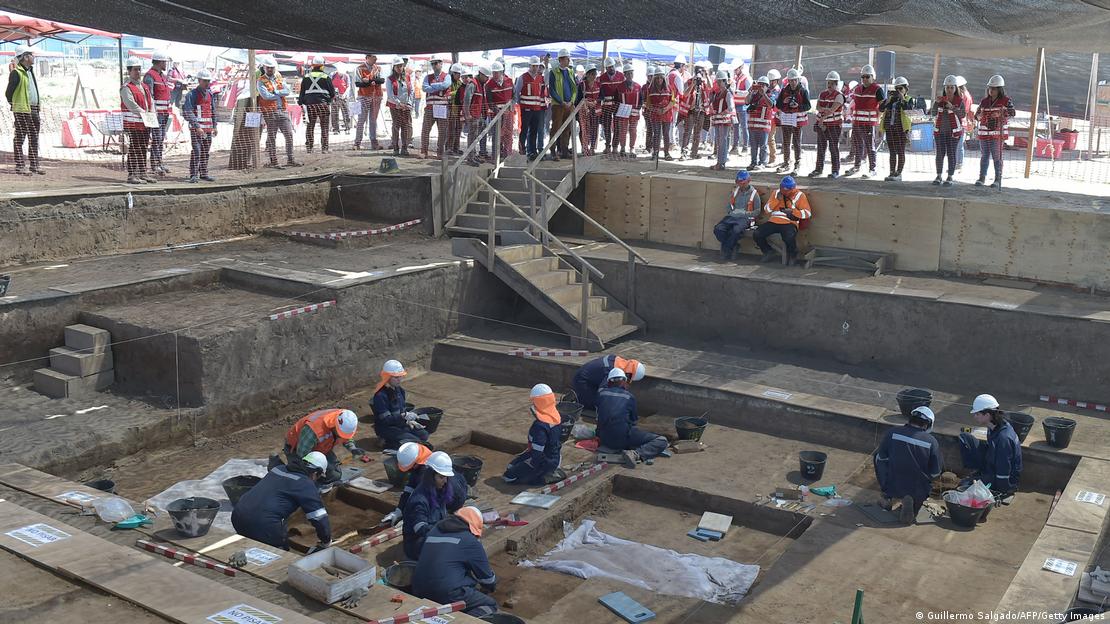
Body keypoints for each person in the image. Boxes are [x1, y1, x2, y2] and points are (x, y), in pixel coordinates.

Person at [232, 451, 332, 551]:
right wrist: (326, 541)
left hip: (238, 515)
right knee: (279, 554)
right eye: (318, 477)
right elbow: (319, 517)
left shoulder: (278, 469)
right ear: (315, 473)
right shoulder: (305, 484)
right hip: (263, 524)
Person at [411, 506, 498, 618]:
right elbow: (487, 580)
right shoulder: (470, 541)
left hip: (418, 588)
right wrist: (492, 584)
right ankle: (462, 620)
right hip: (446, 593)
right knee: (489, 604)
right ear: (473, 527)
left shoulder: (434, 531)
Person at [874, 406, 942, 525]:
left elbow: (882, 457)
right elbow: (935, 471)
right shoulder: (932, 441)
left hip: (894, 483)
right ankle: (914, 502)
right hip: (918, 488)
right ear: (927, 425)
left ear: (910, 419)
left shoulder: (892, 433)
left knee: (877, 457)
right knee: (926, 478)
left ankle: (887, 496)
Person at [597, 368, 669, 467]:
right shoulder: (629, 397)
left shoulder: (601, 393)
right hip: (621, 439)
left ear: (609, 382)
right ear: (624, 382)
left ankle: (630, 447)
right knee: (662, 440)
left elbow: (600, 416)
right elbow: (633, 421)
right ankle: (636, 454)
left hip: (604, 439)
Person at [959, 394, 1022, 496]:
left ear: (987, 415)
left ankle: (982, 478)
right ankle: (979, 473)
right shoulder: (994, 426)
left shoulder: (1003, 439)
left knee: (965, 485)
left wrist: (1001, 491)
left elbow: (1004, 470)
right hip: (993, 463)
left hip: (1006, 478)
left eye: (977, 414)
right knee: (965, 437)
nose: (974, 416)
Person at [283, 408, 365, 484]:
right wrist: (321, 465)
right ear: (335, 426)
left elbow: (345, 436)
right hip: (297, 452)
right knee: (303, 479)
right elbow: (302, 454)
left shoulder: (344, 418)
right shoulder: (313, 429)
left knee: (336, 474)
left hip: (321, 448)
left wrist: (352, 447)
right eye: (340, 433)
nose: (341, 436)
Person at [503, 384, 565, 485]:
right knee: (511, 466)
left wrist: (532, 468)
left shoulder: (539, 426)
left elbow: (537, 455)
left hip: (544, 461)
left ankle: (544, 478)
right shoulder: (556, 416)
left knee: (508, 477)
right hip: (554, 457)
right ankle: (550, 469)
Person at [402, 451, 456, 560]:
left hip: (433, 534)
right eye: (441, 477)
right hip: (416, 544)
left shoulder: (439, 490)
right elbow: (421, 529)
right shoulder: (419, 500)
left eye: (446, 477)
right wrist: (445, 530)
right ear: (431, 476)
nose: (445, 481)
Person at [371, 359, 430, 449]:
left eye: (400, 377)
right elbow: (386, 420)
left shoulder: (400, 391)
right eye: (396, 377)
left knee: (424, 435)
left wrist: (409, 421)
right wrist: (403, 416)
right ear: (387, 377)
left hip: (399, 424)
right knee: (414, 442)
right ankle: (386, 441)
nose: (399, 380)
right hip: (386, 428)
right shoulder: (380, 396)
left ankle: (396, 440)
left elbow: (402, 410)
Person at [753, 176, 812, 264]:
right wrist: (777, 200)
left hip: (790, 222)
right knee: (757, 233)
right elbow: (767, 210)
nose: (785, 192)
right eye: (782, 189)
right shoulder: (776, 193)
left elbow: (807, 213)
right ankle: (768, 251)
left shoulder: (799, 195)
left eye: (787, 190)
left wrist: (793, 212)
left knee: (788, 237)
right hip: (774, 221)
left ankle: (793, 255)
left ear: (793, 188)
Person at [5, 46, 43, 176]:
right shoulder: (16, 73)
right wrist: (16, 106)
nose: (34, 57)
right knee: (20, 138)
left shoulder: (30, 71)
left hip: (34, 110)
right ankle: (20, 166)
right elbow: (8, 93)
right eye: (31, 54)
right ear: (26, 57)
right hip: (22, 111)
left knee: (34, 138)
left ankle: (34, 165)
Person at [257, 56, 300, 169]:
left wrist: (276, 92)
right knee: (272, 137)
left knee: (289, 135)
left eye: (272, 68)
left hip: (282, 110)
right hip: (270, 111)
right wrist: (279, 94)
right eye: (268, 68)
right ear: (264, 68)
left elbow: (287, 91)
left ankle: (290, 159)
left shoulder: (279, 78)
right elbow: (265, 96)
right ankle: (274, 161)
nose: (270, 69)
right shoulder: (261, 81)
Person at [120, 57, 157, 184]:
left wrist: (151, 113)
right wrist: (145, 114)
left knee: (143, 147)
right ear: (129, 71)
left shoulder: (144, 86)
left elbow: (150, 101)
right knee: (135, 148)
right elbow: (131, 104)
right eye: (135, 69)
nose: (138, 72)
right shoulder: (126, 87)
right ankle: (132, 174)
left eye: (139, 69)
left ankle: (142, 172)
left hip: (145, 123)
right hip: (134, 124)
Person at [974, 75, 1015, 189]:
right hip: (984, 134)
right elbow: (976, 116)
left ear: (1000, 89)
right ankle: (982, 178)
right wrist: (979, 116)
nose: (991, 90)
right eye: (990, 88)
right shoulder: (984, 101)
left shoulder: (1006, 100)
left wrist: (1002, 113)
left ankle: (997, 179)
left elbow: (1012, 112)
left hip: (997, 135)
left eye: (994, 88)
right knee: (984, 156)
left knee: (997, 157)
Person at [845, 64, 884, 178]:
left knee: (869, 146)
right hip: (857, 123)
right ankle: (856, 166)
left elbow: (882, 106)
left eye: (867, 76)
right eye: (863, 77)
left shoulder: (878, 89)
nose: (865, 79)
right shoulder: (857, 89)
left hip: (868, 123)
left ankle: (873, 169)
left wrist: (878, 117)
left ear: (873, 77)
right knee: (857, 145)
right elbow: (854, 102)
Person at [713, 170, 761, 260]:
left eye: (743, 183)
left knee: (735, 231)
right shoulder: (735, 191)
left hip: (745, 219)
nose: (741, 185)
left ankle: (726, 250)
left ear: (748, 181)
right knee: (718, 229)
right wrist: (732, 213)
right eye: (739, 183)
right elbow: (728, 207)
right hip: (732, 216)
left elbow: (757, 211)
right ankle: (733, 246)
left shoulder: (754, 194)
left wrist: (745, 213)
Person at [572, 354, 646, 410]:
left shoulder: (617, 361)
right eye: (629, 378)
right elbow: (603, 392)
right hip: (582, 382)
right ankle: (578, 400)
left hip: (590, 379)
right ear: (629, 373)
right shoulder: (609, 371)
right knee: (598, 406)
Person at [181, 70, 217, 183]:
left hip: (208, 128)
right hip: (197, 129)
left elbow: (213, 111)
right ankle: (193, 174)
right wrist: (196, 126)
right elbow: (188, 111)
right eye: (205, 81)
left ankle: (204, 173)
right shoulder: (192, 95)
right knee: (197, 150)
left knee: (205, 151)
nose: (207, 83)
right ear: (199, 81)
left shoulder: (210, 94)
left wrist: (215, 126)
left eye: (208, 81)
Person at [929, 75, 966, 186]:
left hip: (954, 133)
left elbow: (963, 114)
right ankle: (939, 175)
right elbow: (933, 113)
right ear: (944, 88)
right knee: (940, 154)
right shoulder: (940, 100)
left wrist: (953, 108)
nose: (949, 90)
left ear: (955, 89)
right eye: (947, 87)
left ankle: (950, 176)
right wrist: (935, 103)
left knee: (951, 153)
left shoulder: (959, 101)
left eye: (951, 87)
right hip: (940, 131)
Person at [775, 68, 810, 176]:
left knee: (796, 142)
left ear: (798, 79)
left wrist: (798, 106)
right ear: (788, 81)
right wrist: (784, 102)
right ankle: (786, 163)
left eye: (795, 80)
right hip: (786, 120)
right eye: (791, 80)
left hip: (797, 121)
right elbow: (777, 105)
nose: (793, 82)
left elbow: (808, 106)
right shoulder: (784, 90)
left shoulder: (803, 91)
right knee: (786, 142)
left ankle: (797, 163)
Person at [143, 51, 173, 176]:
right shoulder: (150, 76)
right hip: (155, 114)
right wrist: (152, 113)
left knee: (161, 139)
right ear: (159, 62)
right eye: (164, 62)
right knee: (157, 138)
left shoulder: (162, 76)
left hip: (164, 113)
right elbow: (149, 96)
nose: (166, 64)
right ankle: (155, 165)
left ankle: (159, 163)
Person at [810, 71, 845, 178]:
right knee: (821, 148)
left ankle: (835, 171)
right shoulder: (822, 94)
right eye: (828, 83)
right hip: (823, 125)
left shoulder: (839, 96)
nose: (829, 85)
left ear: (836, 83)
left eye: (832, 83)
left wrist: (823, 117)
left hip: (834, 125)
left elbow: (832, 110)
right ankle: (818, 169)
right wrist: (825, 111)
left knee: (833, 148)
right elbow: (818, 107)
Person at [298, 56, 334, 154]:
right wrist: (328, 100)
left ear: (312, 65)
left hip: (310, 105)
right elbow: (332, 93)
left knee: (310, 126)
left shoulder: (306, 77)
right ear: (322, 66)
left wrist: (301, 103)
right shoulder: (326, 77)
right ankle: (324, 148)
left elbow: (302, 93)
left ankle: (309, 148)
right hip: (323, 104)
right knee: (324, 126)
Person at [879, 76, 912, 182]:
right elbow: (881, 108)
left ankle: (899, 172)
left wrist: (902, 98)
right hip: (890, 128)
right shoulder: (891, 100)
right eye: (896, 89)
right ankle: (892, 172)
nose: (898, 91)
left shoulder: (908, 99)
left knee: (900, 151)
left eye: (901, 88)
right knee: (892, 151)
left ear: (906, 89)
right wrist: (887, 100)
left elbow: (909, 109)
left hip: (902, 129)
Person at [515, 56, 549, 160]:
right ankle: (522, 149)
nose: (535, 68)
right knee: (524, 130)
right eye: (533, 66)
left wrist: (546, 66)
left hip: (537, 109)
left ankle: (532, 151)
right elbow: (516, 92)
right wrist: (519, 104)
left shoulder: (540, 78)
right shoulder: (523, 77)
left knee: (534, 131)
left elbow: (547, 81)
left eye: (536, 66)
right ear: (529, 66)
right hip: (526, 109)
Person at [419, 56, 451, 159]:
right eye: (432, 63)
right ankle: (424, 151)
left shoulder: (447, 76)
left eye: (436, 63)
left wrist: (432, 87)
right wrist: (439, 86)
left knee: (442, 131)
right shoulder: (427, 77)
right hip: (429, 107)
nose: (434, 65)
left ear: (441, 63)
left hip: (441, 107)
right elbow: (424, 88)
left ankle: (440, 152)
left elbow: (446, 85)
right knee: (425, 130)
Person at [354, 53, 385, 150]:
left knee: (373, 120)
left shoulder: (378, 68)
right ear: (367, 58)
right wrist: (369, 82)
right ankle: (357, 143)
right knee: (361, 120)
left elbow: (382, 80)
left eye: (376, 57)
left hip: (376, 96)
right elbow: (358, 83)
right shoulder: (359, 68)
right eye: (373, 57)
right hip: (363, 96)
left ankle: (374, 142)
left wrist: (369, 80)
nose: (375, 59)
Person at [679, 64, 710, 160]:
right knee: (687, 131)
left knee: (697, 132)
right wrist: (692, 84)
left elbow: (711, 86)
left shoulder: (704, 83)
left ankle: (694, 152)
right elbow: (684, 93)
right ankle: (684, 152)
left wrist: (707, 75)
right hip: (690, 110)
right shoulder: (689, 82)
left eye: (701, 72)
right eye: (698, 72)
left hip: (701, 110)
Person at [485, 61, 515, 159]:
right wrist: (497, 111)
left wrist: (511, 107)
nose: (495, 75)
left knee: (508, 133)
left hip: (509, 113)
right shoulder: (489, 85)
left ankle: (507, 153)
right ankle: (495, 155)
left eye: (497, 72)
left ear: (501, 72)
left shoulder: (509, 81)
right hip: (497, 114)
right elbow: (489, 101)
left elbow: (513, 96)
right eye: (493, 73)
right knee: (497, 134)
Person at [385, 58, 415, 157]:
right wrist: (399, 103)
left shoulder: (407, 77)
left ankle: (405, 148)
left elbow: (411, 91)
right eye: (397, 66)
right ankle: (395, 148)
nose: (399, 68)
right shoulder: (390, 79)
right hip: (395, 106)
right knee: (396, 126)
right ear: (394, 67)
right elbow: (390, 94)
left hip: (406, 106)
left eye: (401, 66)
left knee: (405, 126)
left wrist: (409, 103)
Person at [644, 67, 675, 161]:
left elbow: (673, 101)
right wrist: (655, 109)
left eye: (661, 78)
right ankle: (655, 152)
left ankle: (666, 153)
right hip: (655, 114)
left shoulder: (669, 88)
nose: (659, 80)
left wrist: (665, 109)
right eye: (657, 78)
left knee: (666, 133)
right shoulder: (650, 90)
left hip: (667, 114)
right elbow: (648, 104)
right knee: (656, 133)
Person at [708, 70, 736, 171]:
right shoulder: (717, 93)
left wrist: (722, 113)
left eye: (720, 81)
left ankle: (721, 162)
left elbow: (731, 107)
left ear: (725, 81)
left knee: (722, 141)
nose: (719, 83)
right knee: (720, 141)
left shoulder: (727, 93)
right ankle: (720, 162)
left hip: (724, 121)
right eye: (718, 81)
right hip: (718, 121)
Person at [462, 65, 491, 164]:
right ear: (481, 74)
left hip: (479, 115)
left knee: (476, 137)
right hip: (473, 116)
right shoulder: (473, 84)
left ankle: (473, 155)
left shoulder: (481, 85)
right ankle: (470, 158)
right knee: (472, 137)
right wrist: (467, 114)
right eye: (486, 77)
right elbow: (466, 100)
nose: (487, 79)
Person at [746, 76, 774, 171]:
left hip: (763, 126)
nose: (761, 87)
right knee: (753, 146)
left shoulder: (770, 95)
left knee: (763, 145)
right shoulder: (754, 95)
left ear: (767, 86)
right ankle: (753, 162)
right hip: (752, 125)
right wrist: (750, 92)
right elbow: (746, 101)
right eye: (759, 84)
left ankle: (762, 162)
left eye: (763, 85)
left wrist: (764, 95)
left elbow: (771, 105)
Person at [598, 57, 625, 154]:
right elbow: (599, 92)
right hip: (606, 105)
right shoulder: (602, 78)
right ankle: (607, 145)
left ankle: (615, 146)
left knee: (617, 126)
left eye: (612, 66)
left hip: (618, 104)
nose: (611, 69)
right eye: (609, 67)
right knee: (606, 126)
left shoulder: (621, 76)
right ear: (606, 68)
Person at [615, 64, 641, 158]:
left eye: (631, 73)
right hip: (623, 112)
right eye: (628, 73)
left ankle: (632, 148)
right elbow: (616, 100)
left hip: (634, 112)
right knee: (623, 130)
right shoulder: (620, 87)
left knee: (633, 130)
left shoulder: (638, 86)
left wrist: (638, 109)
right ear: (624, 75)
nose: (630, 75)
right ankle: (622, 148)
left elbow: (641, 100)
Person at [577, 64, 601, 156]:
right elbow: (578, 99)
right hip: (584, 112)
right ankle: (584, 147)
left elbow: (601, 96)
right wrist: (586, 103)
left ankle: (592, 148)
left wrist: (595, 101)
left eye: (595, 74)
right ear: (587, 75)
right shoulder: (581, 85)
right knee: (584, 130)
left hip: (595, 111)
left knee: (594, 129)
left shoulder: (598, 84)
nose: (594, 76)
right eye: (592, 74)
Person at [730, 63, 751, 157]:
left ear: (740, 68)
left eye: (736, 69)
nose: (735, 71)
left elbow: (749, 92)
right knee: (735, 127)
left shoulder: (746, 78)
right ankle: (735, 146)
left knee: (744, 127)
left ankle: (745, 147)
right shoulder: (735, 78)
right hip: (735, 106)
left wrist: (738, 92)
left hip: (743, 106)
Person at [956, 75, 973, 172]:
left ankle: (959, 164)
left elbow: (964, 111)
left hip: (961, 123)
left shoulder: (965, 96)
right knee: (957, 144)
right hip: (959, 122)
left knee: (959, 144)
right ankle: (956, 163)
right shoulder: (965, 95)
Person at [765, 68, 782, 165]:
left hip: (773, 117)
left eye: (773, 80)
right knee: (767, 138)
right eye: (770, 80)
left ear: (777, 80)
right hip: (767, 116)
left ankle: (773, 159)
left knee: (770, 138)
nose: (771, 82)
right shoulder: (769, 89)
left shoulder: (777, 91)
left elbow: (773, 102)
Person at [330, 65, 352, 134]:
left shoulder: (346, 76)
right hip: (335, 97)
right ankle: (336, 129)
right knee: (334, 113)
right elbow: (329, 85)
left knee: (346, 113)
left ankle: (347, 128)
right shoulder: (332, 75)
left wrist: (345, 94)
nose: (341, 74)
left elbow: (348, 86)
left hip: (343, 96)